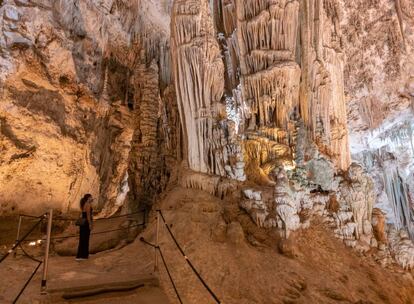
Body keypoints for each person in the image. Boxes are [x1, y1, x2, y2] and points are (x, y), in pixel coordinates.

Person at [76, 194, 93, 260]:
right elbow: (88, 216)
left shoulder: (84, 204)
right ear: (88, 198)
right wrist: (90, 224)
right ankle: (83, 256)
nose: (92, 198)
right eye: (91, 197)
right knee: (85, 239)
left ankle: (81, 255)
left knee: (82, 239)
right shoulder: (88, 205)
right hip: (86, 223)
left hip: (83, 224)